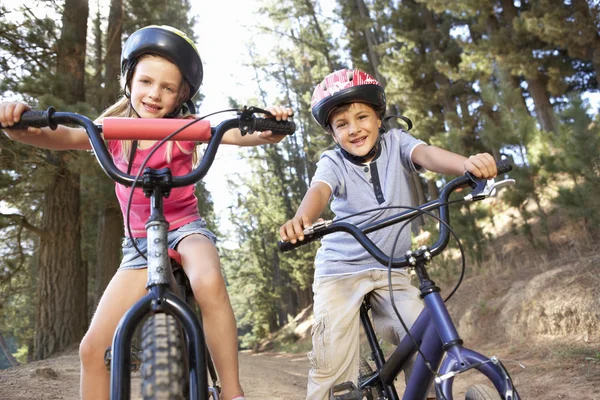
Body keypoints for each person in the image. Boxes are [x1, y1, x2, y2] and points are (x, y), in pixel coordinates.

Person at [0, 25, 293, 400]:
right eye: (146, 81)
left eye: (168, 88)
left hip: (185, 228)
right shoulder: (111, 128)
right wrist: (17, 127)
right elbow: (63, 136)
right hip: (137, 245)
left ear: (181, 94)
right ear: (129, 80)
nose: (155, 94)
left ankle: (232, 392)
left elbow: (233, 132)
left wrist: (271, 128)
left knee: (207, 282)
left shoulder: (187, 127)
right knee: (92, 348)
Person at [279, 69, 497, 400]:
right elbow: (319, 191)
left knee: (425, 337)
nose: (354, 129)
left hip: (392, 269)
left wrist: (467, 165)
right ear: (333, 133)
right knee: (332, 363)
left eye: (362, 116)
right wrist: (302, 219)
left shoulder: (397, 142)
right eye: (342, 124)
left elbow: (427, 155)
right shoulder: (333, 162)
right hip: (340, 271)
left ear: (379, 118)